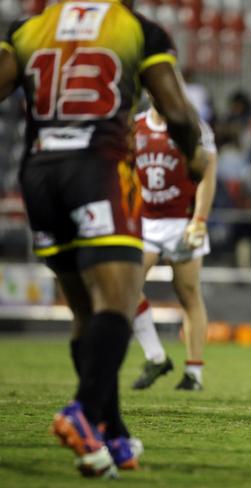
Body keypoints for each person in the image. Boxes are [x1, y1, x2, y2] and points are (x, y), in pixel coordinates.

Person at [0, 0, 203, 477]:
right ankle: (82, 411)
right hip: (98, 171)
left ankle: (110, 432)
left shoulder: (30, 29)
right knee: (119, 299)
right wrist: (193, 155)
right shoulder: (137, 29)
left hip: (38, 173)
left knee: (85, 312)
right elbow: (175, 111)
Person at [131, 105, 217, 391]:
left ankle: (194, 374)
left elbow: (207, 172)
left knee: (188, 293)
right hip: (144, 221)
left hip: (182, 220)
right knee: (125, 286)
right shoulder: (135, 126)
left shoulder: (191, 125)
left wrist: (200, 219)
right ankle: (155, 355)